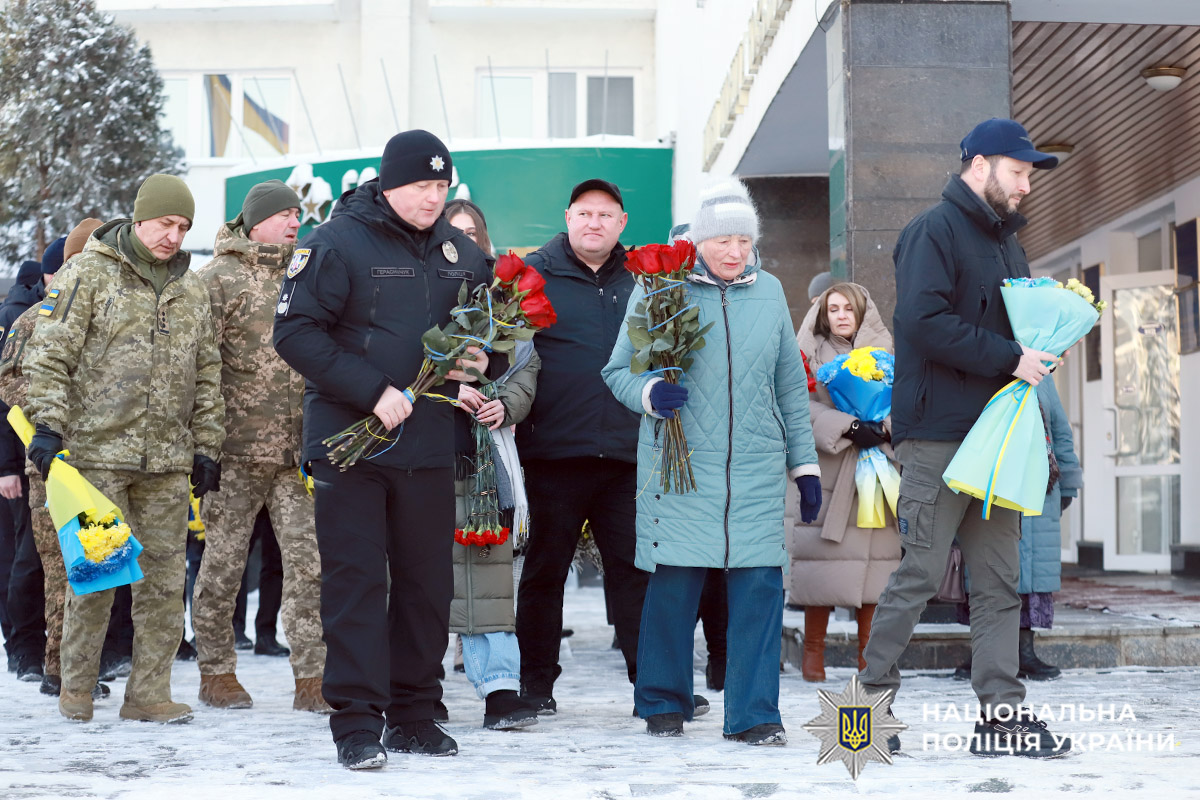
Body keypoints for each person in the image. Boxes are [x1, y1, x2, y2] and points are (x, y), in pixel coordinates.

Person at [274, 130, 500, 770]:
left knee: (427, 586)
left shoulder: (460, 251)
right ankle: (355, 720)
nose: (433, 199)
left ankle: (414, 713)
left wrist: (484, 359)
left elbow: (491, 334)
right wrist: (372, 390)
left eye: (440, 186)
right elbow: (293, 332)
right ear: (389, 183)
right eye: (421, 187)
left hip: (429, 444)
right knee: (357, 582)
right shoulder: (336, 241)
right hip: (352, 446)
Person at [858, 118, 1071, 758]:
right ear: (979, 166)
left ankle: (1002, 717)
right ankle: (862, 721)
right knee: (918, 575)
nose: (1026, 185)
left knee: (1000, 581)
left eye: (1029, 174)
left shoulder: (1009, 243)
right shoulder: (932, 231)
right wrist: (1010, 356)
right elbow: (921, 322)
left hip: (999, 436)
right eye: (1018, 171)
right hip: (939, 438)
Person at [602, 177, 821, 744]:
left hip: (753, 467)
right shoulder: (659, 290)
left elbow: (790, 388)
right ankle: (662, 701)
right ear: (699, 241)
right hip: (682, 466)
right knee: (674, 588)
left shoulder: (770, 291)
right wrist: (651, 394)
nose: (733, 251)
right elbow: (618, 370)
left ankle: (754, 714)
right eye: (722, 240)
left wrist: (806, 466)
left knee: (759, 592)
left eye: (743, 242)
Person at [24, 174, 225, 725]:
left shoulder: (192, 290)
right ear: (139, 218)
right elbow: (50, 356)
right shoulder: (87, 274)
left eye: (183, 227)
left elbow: (208, 374)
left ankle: (148, 694)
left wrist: (207, 447)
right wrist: (49, 427)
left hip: (165, 463)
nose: (173, 236)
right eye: (165, 223)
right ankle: (78, 687)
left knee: (163, 585)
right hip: (96, 460)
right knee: (98, 577)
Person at [513, 178, 657, 716]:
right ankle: (534, 685)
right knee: (546, 572)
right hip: (554, 451)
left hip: (627, 451)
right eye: (584, 213)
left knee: (635, 573)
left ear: (621, 224)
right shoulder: (535, 275)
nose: (594, 223)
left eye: (606, 215)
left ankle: (654, 688)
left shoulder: (645, 278)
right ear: (568, 217)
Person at [192, 179, 330, 713]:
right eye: (284, 214)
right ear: (255, 220)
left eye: (299, 214)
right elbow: (198, 366)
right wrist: (201, 445)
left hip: (298, 455)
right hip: (233, 454)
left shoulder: (310, 272)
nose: (295, 222)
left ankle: (312, 679)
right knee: (223, 568)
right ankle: (217, 671)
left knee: (310, 567)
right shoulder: (217, 280)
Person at [790, 282, 900, 682]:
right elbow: (798, 404)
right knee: (823, 563)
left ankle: (868, 657)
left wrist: (881, 427)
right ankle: (813, 652)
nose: (840, 315)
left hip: (877, 468)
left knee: (876, 567)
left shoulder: (888, 354)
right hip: (829, 467)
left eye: (848, 309)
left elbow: (909, 398)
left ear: (862, 312)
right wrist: (849, 425)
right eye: (832, 308)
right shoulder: (804, 352)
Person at [954, 373, 1079, 681]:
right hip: (991, 485)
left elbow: (1060, 432)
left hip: (1040, 487)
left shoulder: (1044, 378)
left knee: (1031, 574)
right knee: (988, 571)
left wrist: (1068, 484)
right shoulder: (980, 372)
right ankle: (983, 654)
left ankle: (1025, 653)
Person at [0, 251, 57, 683]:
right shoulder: (21, 317)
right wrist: (6, 467)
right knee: (28, 556)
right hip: (26, 456)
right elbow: (4, 404)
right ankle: (22, 647)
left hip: (64, 457)